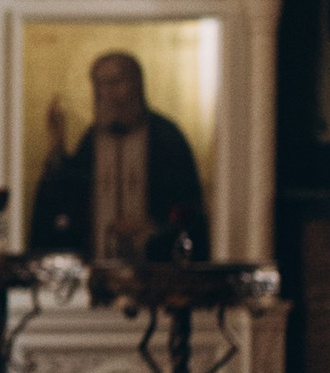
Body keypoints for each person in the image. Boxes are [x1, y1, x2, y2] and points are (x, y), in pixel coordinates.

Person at [29, 50, 208, 266]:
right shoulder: (91, 140)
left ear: (137, 85)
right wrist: (57, 148)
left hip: (153, 270)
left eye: (115, 82)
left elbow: (189, 210)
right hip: (97, 268)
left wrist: (152, 226)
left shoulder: (167, 139)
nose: (106, 92)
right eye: (99, 84)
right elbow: (67, 197)